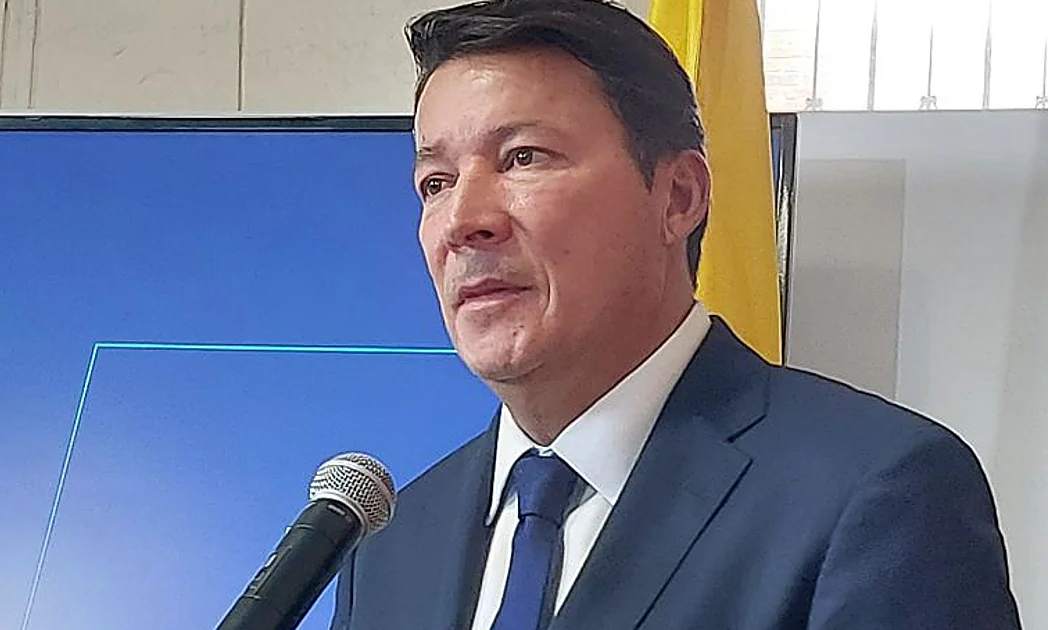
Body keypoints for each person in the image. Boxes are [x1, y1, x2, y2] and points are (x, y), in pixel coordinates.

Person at [330, 0, 1023, 628]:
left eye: (523, 158)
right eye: (436, 182)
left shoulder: (877, 495)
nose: (462, 221)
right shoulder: (388, 545)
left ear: (679, 197)